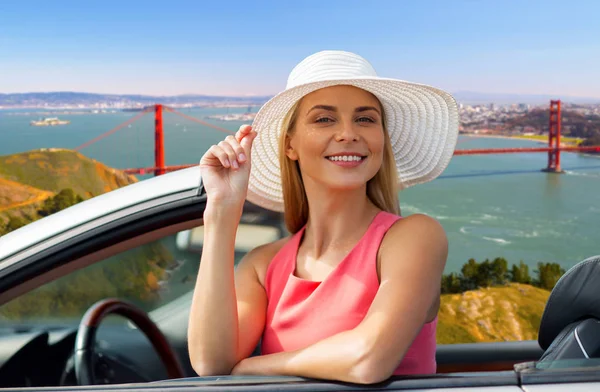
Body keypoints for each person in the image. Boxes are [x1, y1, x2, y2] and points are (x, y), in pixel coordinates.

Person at [187, 50, 459, 384]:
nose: (348, 133)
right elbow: (212, 362)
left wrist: (253, 367)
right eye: (324, 119)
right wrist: (220, 212)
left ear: (382, 140)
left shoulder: (414, 238)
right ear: (291, 145)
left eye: (365, 119)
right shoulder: (263, 265)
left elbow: (367, 359)